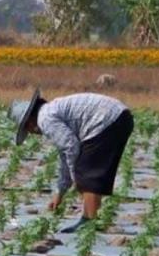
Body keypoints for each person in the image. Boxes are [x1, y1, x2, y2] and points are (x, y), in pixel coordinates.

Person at [8, 89, 134, 233]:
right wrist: (60, 192)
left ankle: (89, 222)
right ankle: (90, 219)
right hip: (118, 117)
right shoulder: (49, 112)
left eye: (28, 129)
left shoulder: (45, 119)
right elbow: (65, 153)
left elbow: (71, 146)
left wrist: (76, 177)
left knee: (87, 173)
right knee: (88, 172)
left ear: (29, 121)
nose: (31, 132)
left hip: (107, 120)